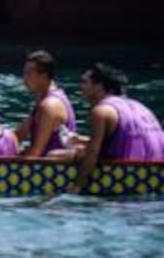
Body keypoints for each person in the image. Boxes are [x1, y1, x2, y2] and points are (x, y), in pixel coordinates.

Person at [68, 63, 164, 194]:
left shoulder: (101, 111)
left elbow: (93, 153)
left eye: (85, 82)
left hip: (127, 177)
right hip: (156, 177)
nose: (80, 87)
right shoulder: (141, 107)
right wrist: (83, 141)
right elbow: (132, 137)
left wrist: (77, 185)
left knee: (60, 154)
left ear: (99, 86)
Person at [14, 49, 76, 156]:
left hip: (49, 165)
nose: (24, 79)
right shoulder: (45, 100)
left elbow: (35, 153)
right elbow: (18, 136)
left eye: (28, 74)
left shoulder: (49, 105)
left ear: (43, 76)